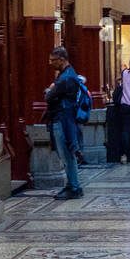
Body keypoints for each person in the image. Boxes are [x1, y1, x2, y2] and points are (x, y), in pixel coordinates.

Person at [43, 46, 85, 201]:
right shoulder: (66, 75)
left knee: (67, 154)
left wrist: (48, 90)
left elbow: (49, 96)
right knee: (67, 153)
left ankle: (74, 187)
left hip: (63, 121)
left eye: (53, 60)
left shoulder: (66, 78)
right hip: (64, 119)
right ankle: (72, 185)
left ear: (62, 60)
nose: (50, 63)